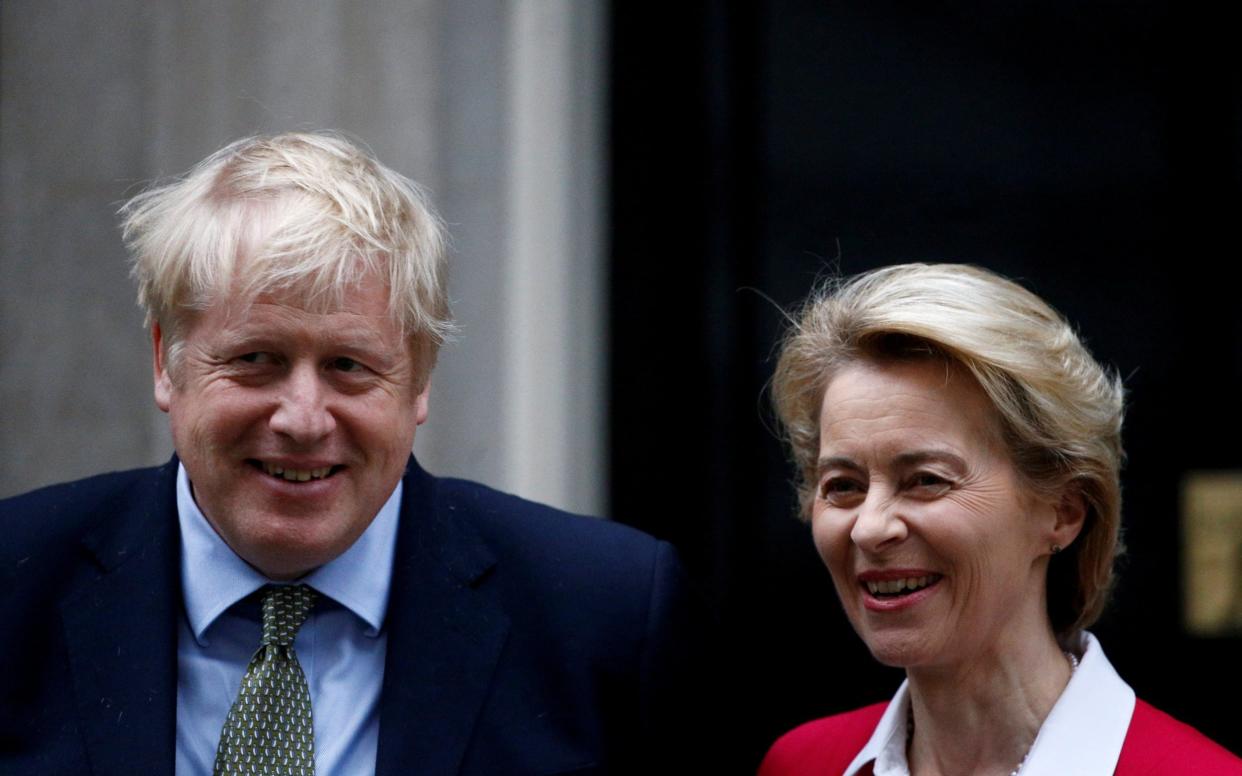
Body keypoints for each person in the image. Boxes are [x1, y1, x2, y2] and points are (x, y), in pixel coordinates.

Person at [0, 132, 714, 775]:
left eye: (349, 366)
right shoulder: (15, 584)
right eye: (256, 358)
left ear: (420, 379)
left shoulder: (608, 617)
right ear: (168, 362)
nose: (303, 419)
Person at [759, 264, 1241, 775]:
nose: (869, 527)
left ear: (1063, 511)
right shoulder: (802, 763)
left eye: (926, 479)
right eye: (844, 486)